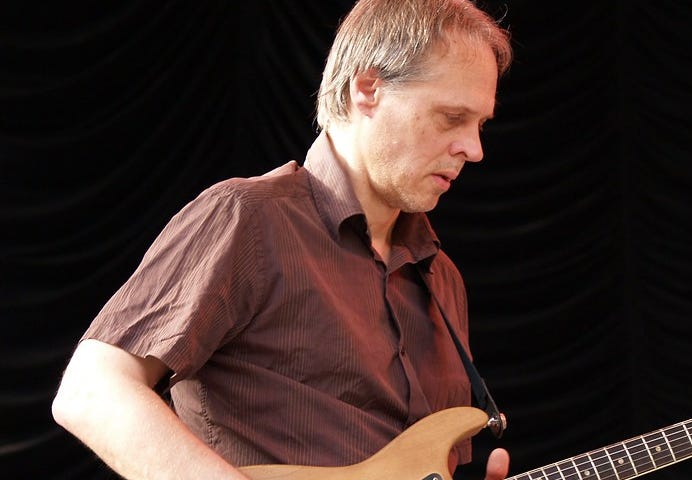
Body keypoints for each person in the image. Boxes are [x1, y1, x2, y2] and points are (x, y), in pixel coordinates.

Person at [51, 0, 513, 478]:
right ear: (368, 88)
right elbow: (93, 391)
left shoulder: (444, 281)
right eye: (451, 117)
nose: (474, 149)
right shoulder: (249, 218)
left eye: (480, 125)